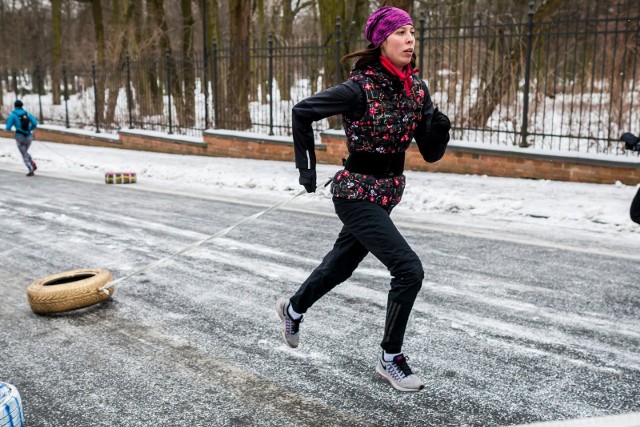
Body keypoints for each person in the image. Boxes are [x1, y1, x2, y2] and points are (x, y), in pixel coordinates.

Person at [275, 6, 451, 392]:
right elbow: (302, 112)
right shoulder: (359, 88)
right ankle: (391, 358)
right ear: (381, 41)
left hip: (387, 194)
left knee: (340, 266)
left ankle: (293, 308)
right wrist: (307, 170)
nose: (409, 39)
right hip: (355, 194)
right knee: (409, 270)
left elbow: (432, 152)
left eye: (412, 32)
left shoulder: (416, 89)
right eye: (400, 33)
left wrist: (440, 129)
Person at [5, 99, 38, 176]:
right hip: (29, 137)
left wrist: (11, 128)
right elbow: (35, 123)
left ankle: (30, 169)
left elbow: (8, 128)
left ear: (15, 106)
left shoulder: (12, 115)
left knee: (24, 154)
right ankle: (32, 163)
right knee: (25, 152)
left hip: (19, 137)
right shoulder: (27, 114)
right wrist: (30, 129)